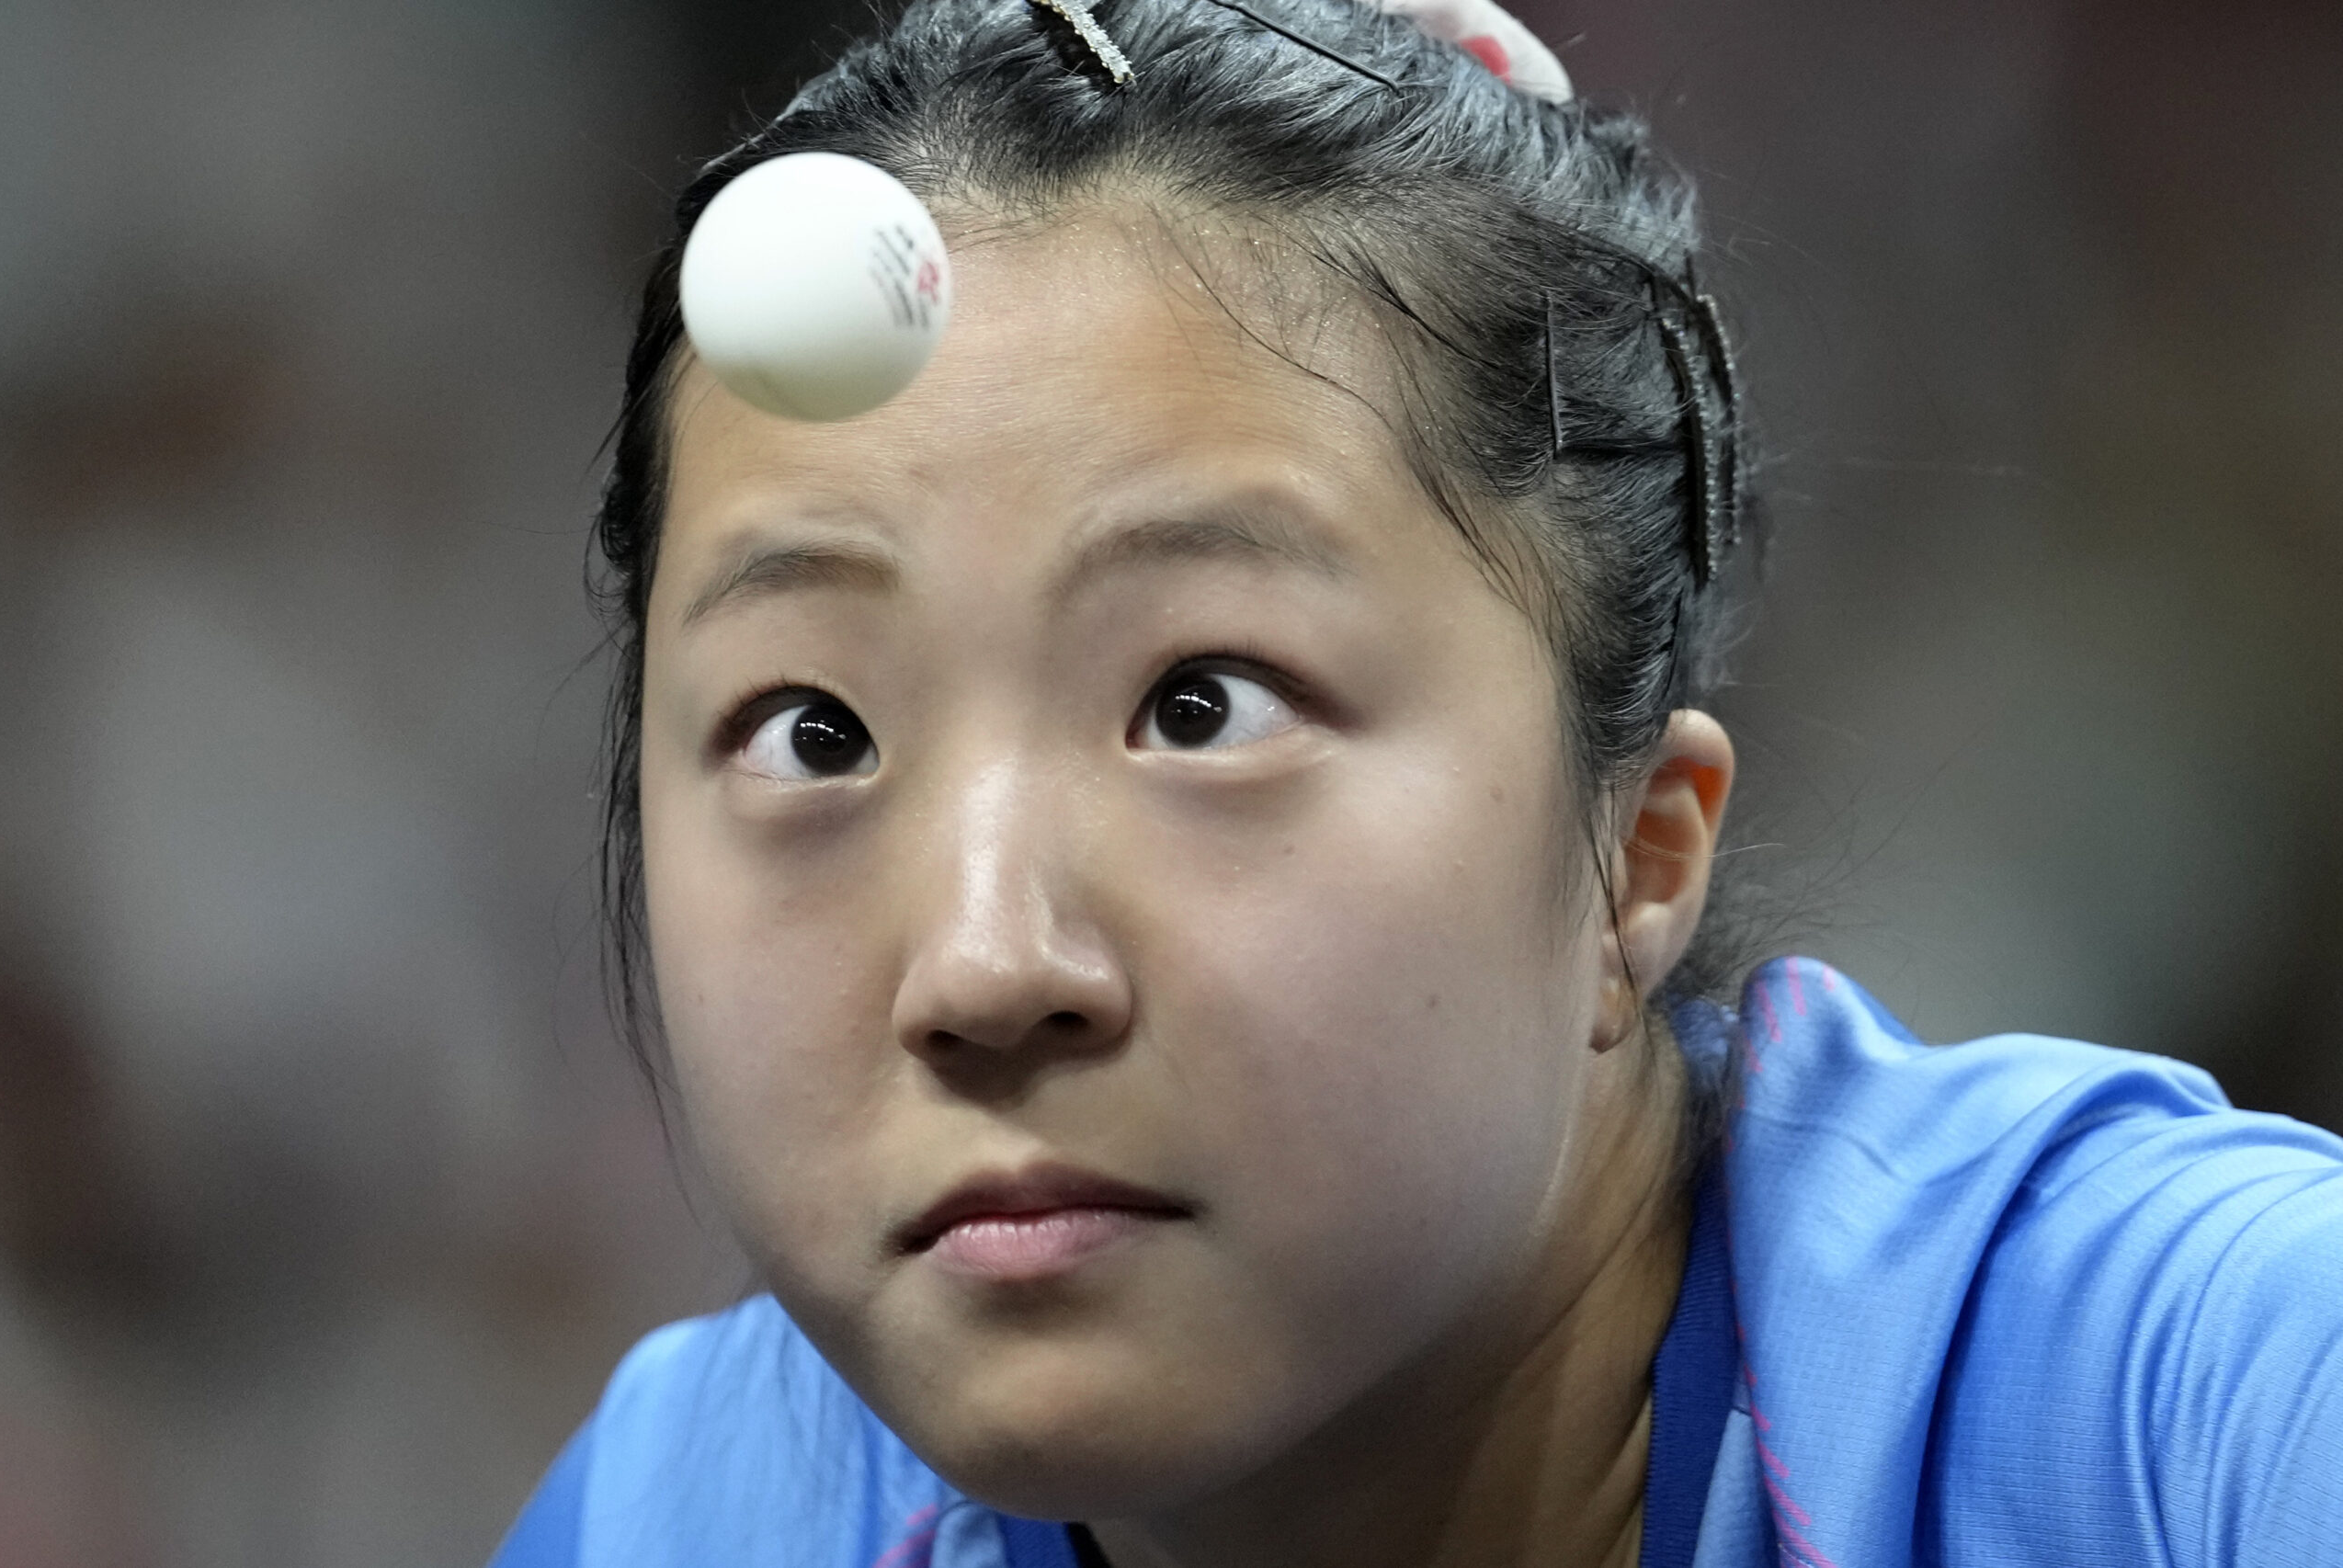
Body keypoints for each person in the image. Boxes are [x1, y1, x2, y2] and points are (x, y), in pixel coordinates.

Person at [491, 1, 2343, 1563]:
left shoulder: (2174, 1392)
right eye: (813, 732)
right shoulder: (697, 1511)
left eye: (1202, 702)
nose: (984, 964)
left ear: (1631, 852)